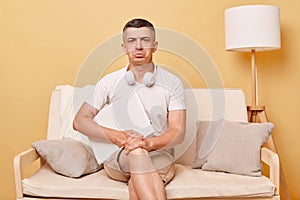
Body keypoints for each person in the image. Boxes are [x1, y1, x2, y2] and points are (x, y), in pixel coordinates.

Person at [73, 18, 186, 200]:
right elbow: (80, 121)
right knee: (137, 152)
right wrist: (121, 138)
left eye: (145, 40)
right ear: (124, 47)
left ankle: (139, 158)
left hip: (159, 154)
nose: (139, 46)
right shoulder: (109, 82)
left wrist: (147, 143)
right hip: (118, 156)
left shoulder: (172, 82)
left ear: (155, 45)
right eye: (132, 41)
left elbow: (178, 132)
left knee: (138, 178)